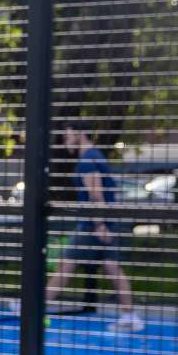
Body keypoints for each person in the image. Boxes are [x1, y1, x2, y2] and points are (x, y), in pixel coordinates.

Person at [44, 123, 144, 333]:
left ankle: (35, 307)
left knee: (66, 265)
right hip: (104, 222)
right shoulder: (95, 157)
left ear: (80, 134)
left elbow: (95, 194)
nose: (65, 140)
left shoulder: (88, 160)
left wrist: (99, 224)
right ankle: (130, 316)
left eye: (68, 134)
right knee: (112, 267)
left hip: (93, 224)